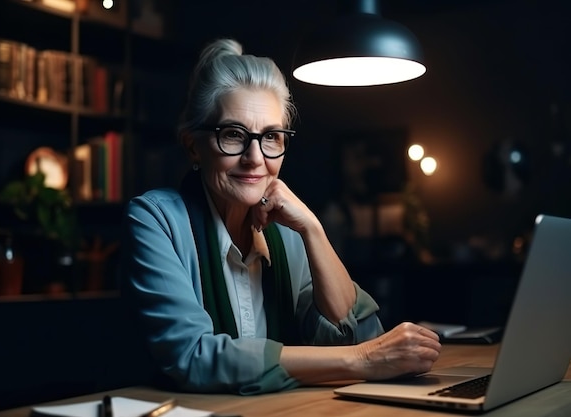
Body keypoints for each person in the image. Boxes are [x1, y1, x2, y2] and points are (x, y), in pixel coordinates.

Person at [121, 38, 441, 395]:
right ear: (193, 145)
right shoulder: (155, 219)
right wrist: (361, 360)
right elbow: (194, 356)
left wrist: (313, 230)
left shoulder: (288, 231)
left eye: (271, 136)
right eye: (233, 134)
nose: (255, 157)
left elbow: (352, 334)